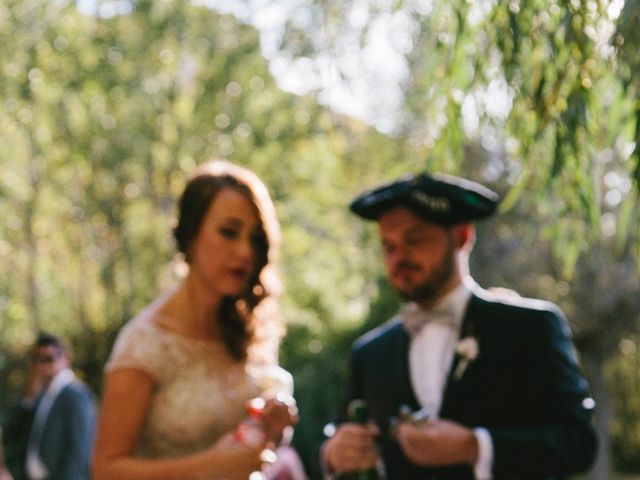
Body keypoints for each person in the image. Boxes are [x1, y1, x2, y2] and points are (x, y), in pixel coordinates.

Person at [321, 172, 598, 479]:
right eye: (388, 247)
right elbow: (337, 438)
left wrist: (475, 446)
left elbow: (577, 443)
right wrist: (334, 454)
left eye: (415, 239)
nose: (399, 258)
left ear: (463, 236)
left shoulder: (529, 327)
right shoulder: (370, 354)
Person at [92, 160, 302, 480]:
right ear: (190, 236)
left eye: (255, 239)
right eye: (229, 232)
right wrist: (211, 467)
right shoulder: (146, 342)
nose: (246, 251)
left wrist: (272, 425)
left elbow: (253, 452)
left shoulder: (250, 330)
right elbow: (106, 470)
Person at [2, 333, 96, 480]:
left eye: (49, 359)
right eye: (37, 359)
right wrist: (30, 396)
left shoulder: (76, 395)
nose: (42, 365)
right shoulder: (40, 396)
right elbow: (12, 433)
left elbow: (79, 453)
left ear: (65, 358)